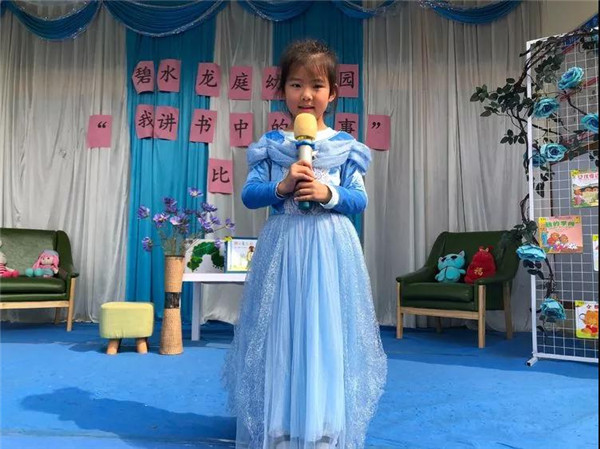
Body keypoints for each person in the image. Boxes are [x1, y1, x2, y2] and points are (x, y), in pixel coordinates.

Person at [223, 39, 387, 449]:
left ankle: (324, 428)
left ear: (333, 93)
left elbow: (359, 199)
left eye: (317, 85)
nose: (306, 95)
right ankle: (280, 427)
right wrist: (281, 187)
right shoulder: (272, 144)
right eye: (296, 85)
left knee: (326, 331)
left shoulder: (345, 146)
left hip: (331, 251)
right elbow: (250, 194)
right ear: (282, 91)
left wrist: (328, 194)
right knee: (282, 331)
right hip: (284, 248)